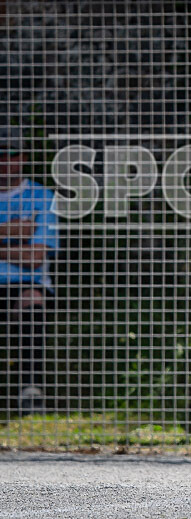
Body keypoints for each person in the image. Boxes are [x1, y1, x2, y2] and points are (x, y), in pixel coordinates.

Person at [0, 127, 60, 415]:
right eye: (0, 154)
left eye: (12, 153)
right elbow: (26, 247)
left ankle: (30, 389)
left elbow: (36, 257)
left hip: (26, 282)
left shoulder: (42, 196)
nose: (5, 160)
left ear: (23, 157)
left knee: (32, 300)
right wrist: (18, 232)